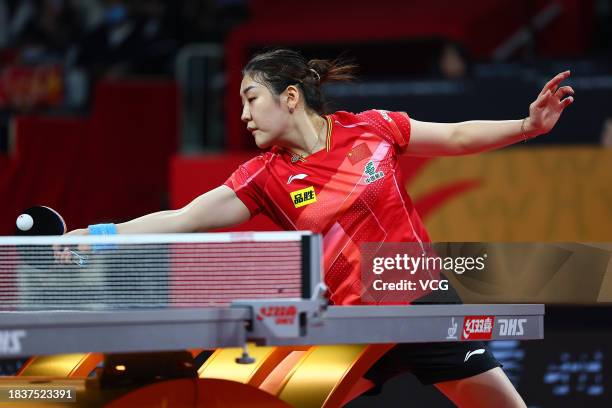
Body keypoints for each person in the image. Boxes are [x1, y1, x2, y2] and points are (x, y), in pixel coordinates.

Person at [61, 49, 574, 407]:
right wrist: (100, 234)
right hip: (347, 327)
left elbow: (458, 136)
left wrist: (526, 127)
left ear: (288, 97)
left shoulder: (371, 128)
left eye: (250, 98)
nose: (242, 114)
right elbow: (184, 217)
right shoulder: (264, 175)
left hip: (420, 304)